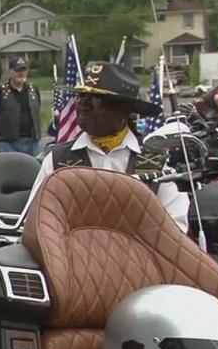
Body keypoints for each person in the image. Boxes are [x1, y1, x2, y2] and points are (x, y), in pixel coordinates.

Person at [26, 61, 189, 232]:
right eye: (81, 97)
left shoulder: (154, 161)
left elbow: (176, 228)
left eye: (95, 100)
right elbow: (35, 223)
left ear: (125, 111)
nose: (83, 106)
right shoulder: (58, 160)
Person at [0, 57, 42, 155]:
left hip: (32, 142)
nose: (21, 73)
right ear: (10, 71)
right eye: (17, 70)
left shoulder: (34, 89)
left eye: (23, 70)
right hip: (6, 143)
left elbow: (38, 111)